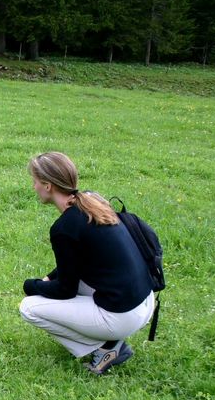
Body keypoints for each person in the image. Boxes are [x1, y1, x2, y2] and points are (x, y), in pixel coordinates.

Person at [19, 152, 155, 375]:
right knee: (50, 288)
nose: (33, 187)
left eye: (35, 182)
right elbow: (75, 261)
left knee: (30, 308)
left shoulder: (64, 227)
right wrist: (49, 278)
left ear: (47, 185)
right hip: (144, 301)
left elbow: (65, 290)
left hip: (123, 315)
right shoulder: (92, 201)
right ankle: (111, 342)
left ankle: (108, 348)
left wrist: (31, 285)